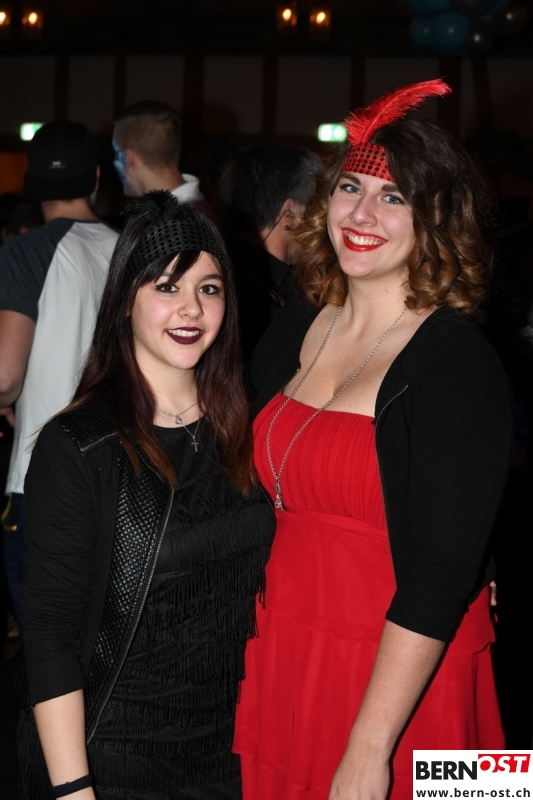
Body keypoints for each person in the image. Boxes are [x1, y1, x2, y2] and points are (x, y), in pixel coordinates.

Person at [232, 79, 514, 799]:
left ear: (436, 217)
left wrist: (369, 749)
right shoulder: (297, 322)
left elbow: (443, 575)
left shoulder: (458, 362)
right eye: (350, 188)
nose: (361, 214)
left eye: (393, 197)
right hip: (286, 645)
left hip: (411, 679)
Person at [17, 191, 275, 800]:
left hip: (231, 751)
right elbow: (50, 633)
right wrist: (74, 789)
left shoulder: (245, 428)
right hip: (115, 757)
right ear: (125, 301)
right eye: (166, 287)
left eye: (209, 288)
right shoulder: (79, 446)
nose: (191, 309)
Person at [0, 120, 119, 637]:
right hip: (120, 473)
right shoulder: (131, 248)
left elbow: (4, 377)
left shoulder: (25, 252)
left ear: (32, 182)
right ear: (96, 177)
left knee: (48, 648)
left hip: (43, 477)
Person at [218, 143, 322, 365]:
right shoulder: (265, 304)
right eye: (315, 209)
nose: (320, 223)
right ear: (290, 213)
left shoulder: (215, 269)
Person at [112, 100, 216, 221]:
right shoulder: (196, 212)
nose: (114, 162)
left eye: (116, 151)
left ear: (129, 157)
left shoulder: (176, 224)